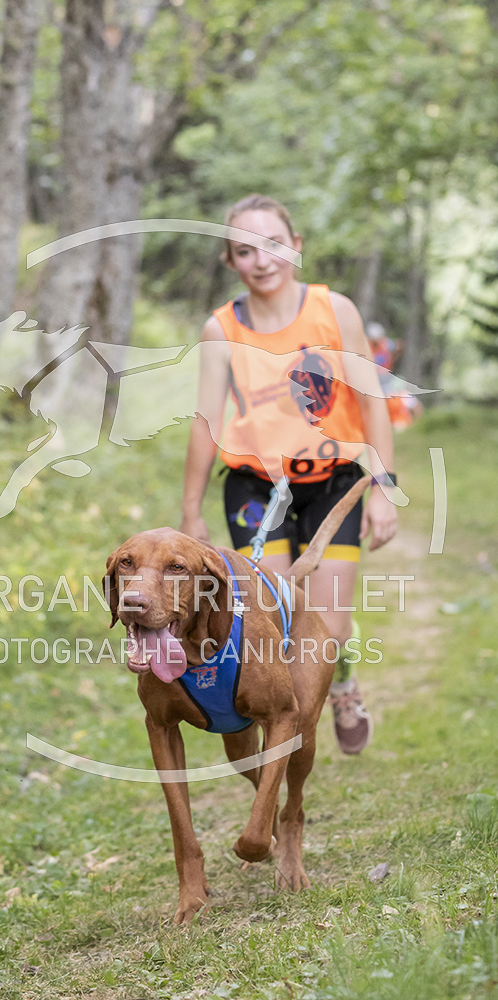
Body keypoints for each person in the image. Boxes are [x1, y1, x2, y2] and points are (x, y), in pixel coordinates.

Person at [179, 194, 399, 754]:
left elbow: (372, 403)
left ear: (296, 245)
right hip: (256, 490)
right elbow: (206, 421)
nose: (262, 260)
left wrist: (383, 487)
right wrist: (190, 511)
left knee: (327, 629)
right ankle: (284, 733)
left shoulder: (336, 311)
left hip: (332, 482)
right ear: (230, 261)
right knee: (271, 623)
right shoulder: (220, 329)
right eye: (244, 250)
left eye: (273, 244)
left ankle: (341, 682)